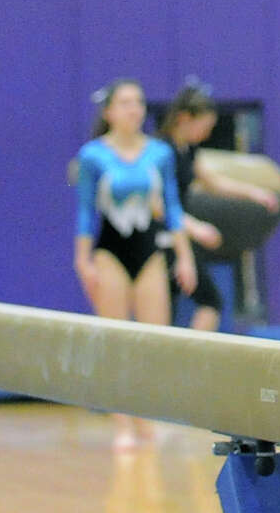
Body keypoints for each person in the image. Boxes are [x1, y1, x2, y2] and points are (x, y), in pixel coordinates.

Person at [73, 78, 196, 450]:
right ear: (108, 111)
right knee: (115, 340)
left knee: (151, 342)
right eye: (125, 102)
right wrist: (83, 261)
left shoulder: (159, 152)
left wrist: (185, 256)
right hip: (110, 253)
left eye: (139, 102)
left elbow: (172, 208)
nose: (134, 109)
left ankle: (146, 420)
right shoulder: (93, 155)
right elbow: (84, 212)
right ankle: (122, 424)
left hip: (149, 253)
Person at [156, 79, 280, 333]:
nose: (208, 133)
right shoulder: (160, 152)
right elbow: (158, 203)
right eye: (205, 126)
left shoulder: (187, 150)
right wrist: (196, 227)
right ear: (184, 118)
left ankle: (187, 358)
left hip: (177, 233)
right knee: (199, 302)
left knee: (203, 301)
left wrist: (254, 193)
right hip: (159, 236)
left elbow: (215, 182)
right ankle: (184, 358)